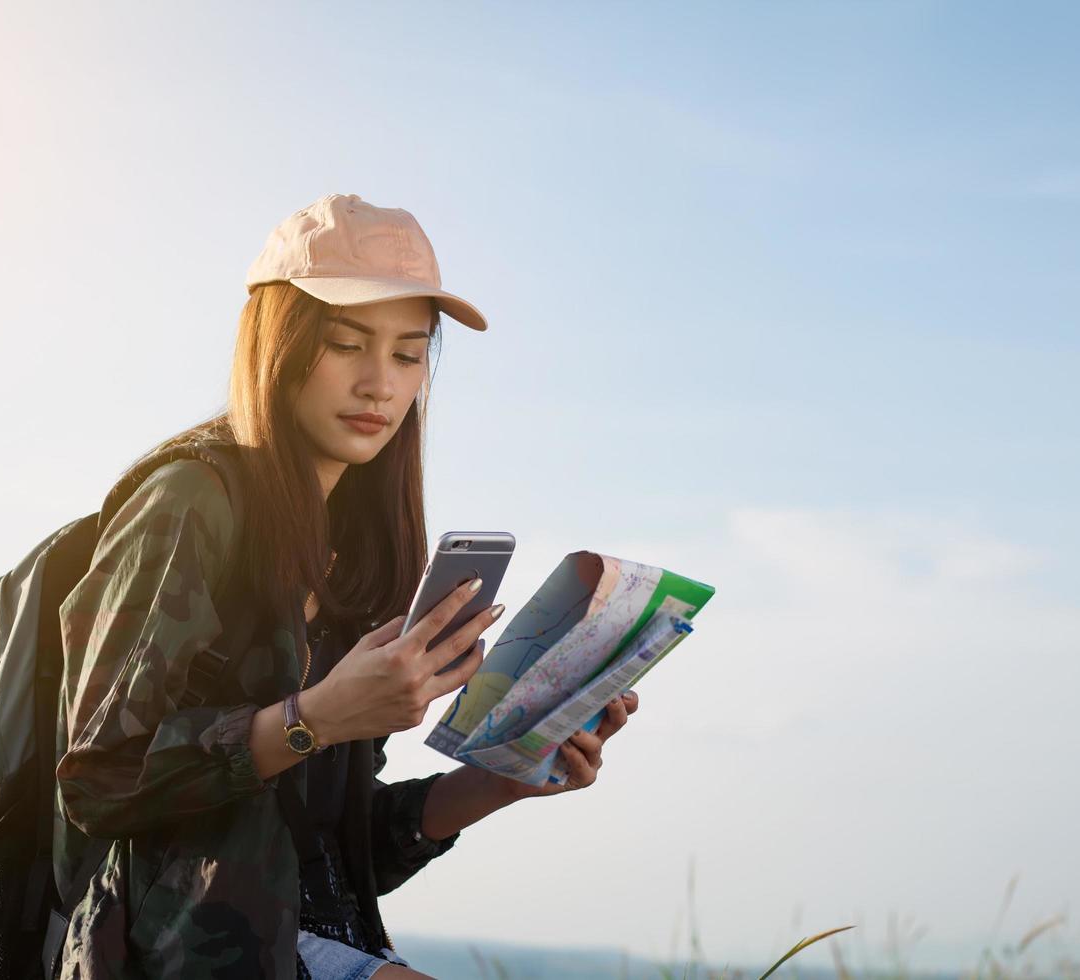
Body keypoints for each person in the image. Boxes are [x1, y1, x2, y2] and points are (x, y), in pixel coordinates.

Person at [48, 194, 640, 979]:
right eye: (345, 343)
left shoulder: (366, 553)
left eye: (406, 353)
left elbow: (337, 849)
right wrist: (314, 718)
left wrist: (500, 777)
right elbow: (99, 778)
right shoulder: (190, 500)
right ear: (279, 345)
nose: (379, 384)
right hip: (168, 945)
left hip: (315, 938)